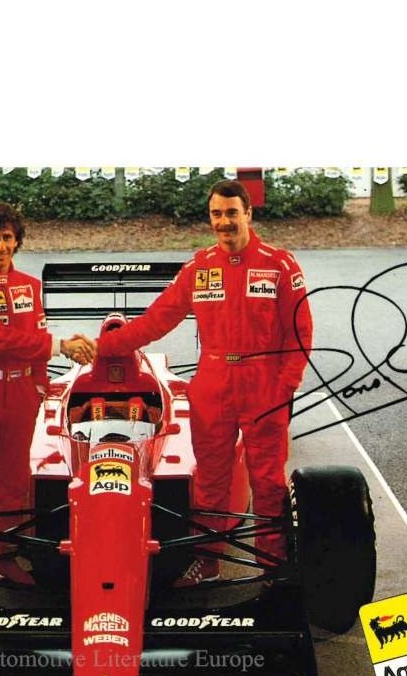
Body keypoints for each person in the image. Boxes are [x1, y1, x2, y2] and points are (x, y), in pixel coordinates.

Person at [96, 179, 313, 583]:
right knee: (210, 480)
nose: (224, 222)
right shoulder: (199, 268)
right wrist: (104, 346)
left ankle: (272, 565)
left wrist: (284, 387)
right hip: (213, 382)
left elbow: (300, 332)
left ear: (248, 213)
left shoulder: (279, 264)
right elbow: (156, 320)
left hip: (264, 383)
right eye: (217, 214)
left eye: (232, 213)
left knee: (268, 481)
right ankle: (208, 560)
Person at [0, 202, 96, 596]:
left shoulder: (29, 285)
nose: (0, 246)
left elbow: (35, 338)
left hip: (20, 394)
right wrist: (61, 346)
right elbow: (0, 339)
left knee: (13, 481)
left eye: (7, 238)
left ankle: (7, 557)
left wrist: (41, 386)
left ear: (16, 241)